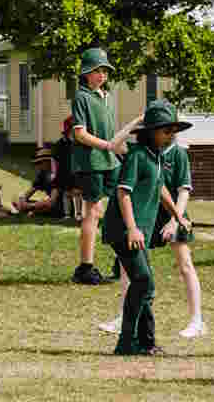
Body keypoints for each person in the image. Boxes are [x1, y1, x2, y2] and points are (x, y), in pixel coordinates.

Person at [99, 106, 204, 338]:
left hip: (167, 213)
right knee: (135, 273)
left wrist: (176, 219)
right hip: (142, 214)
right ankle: (126, 320)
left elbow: (176, 189)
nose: (171, 133)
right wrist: (138, 121)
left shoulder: (176, 153)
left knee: (181, 265)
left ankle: (197, 320)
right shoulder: (140, 152)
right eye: (166, 129)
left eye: (173, 129)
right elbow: (113, 146)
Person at [67, 48, 130, 284]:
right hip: (91, 162)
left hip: (110, 160)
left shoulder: (108, 97)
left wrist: (120, 148)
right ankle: (85, 267)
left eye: (104, 71)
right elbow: (80, 134)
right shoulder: (81, 97)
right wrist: (108, 146)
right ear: (86, 74)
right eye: (96, 71)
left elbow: (111, 134)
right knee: (92, 213)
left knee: (118, 208)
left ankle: (121, 259)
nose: (101, 75)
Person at [7, 147, 59, 217]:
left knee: (43, 205)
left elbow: (53, 201)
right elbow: (29, 192)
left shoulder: (57, 176)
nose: (37, 166)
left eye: (39, 162)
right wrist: (22, 201)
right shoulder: (42, 174)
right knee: (15, 200)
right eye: (37, 163)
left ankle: (31, 212)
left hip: (58, 207)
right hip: (47, 204)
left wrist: (30, 206)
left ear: (48, 162)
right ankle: (28, 211)